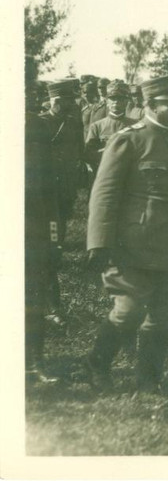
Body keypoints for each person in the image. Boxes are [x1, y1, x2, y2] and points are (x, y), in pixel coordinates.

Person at [84, 75, 168, 393]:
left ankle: (149, 378)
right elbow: (104, 193)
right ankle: (97, 364)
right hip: (133, 246)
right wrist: (100, 242)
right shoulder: (129, 139)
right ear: (150, 105)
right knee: (128, 312)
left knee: (163, 316)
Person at [40, 78, 86, 326]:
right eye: (63, 100)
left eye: (69, 100)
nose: (68, 104)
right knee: (50, 250)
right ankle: (51, 307)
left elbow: (77, 154)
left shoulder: (72, 124)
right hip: (46, 198)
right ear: (53, 100)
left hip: (64, 196)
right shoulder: (41, 124)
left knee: (55, 248)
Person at [25, 56, 59, 384]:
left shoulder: (36, 125)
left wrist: (52, 234)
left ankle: (34, 362)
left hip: (31, 225)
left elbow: (48, 187)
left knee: (32, 294)